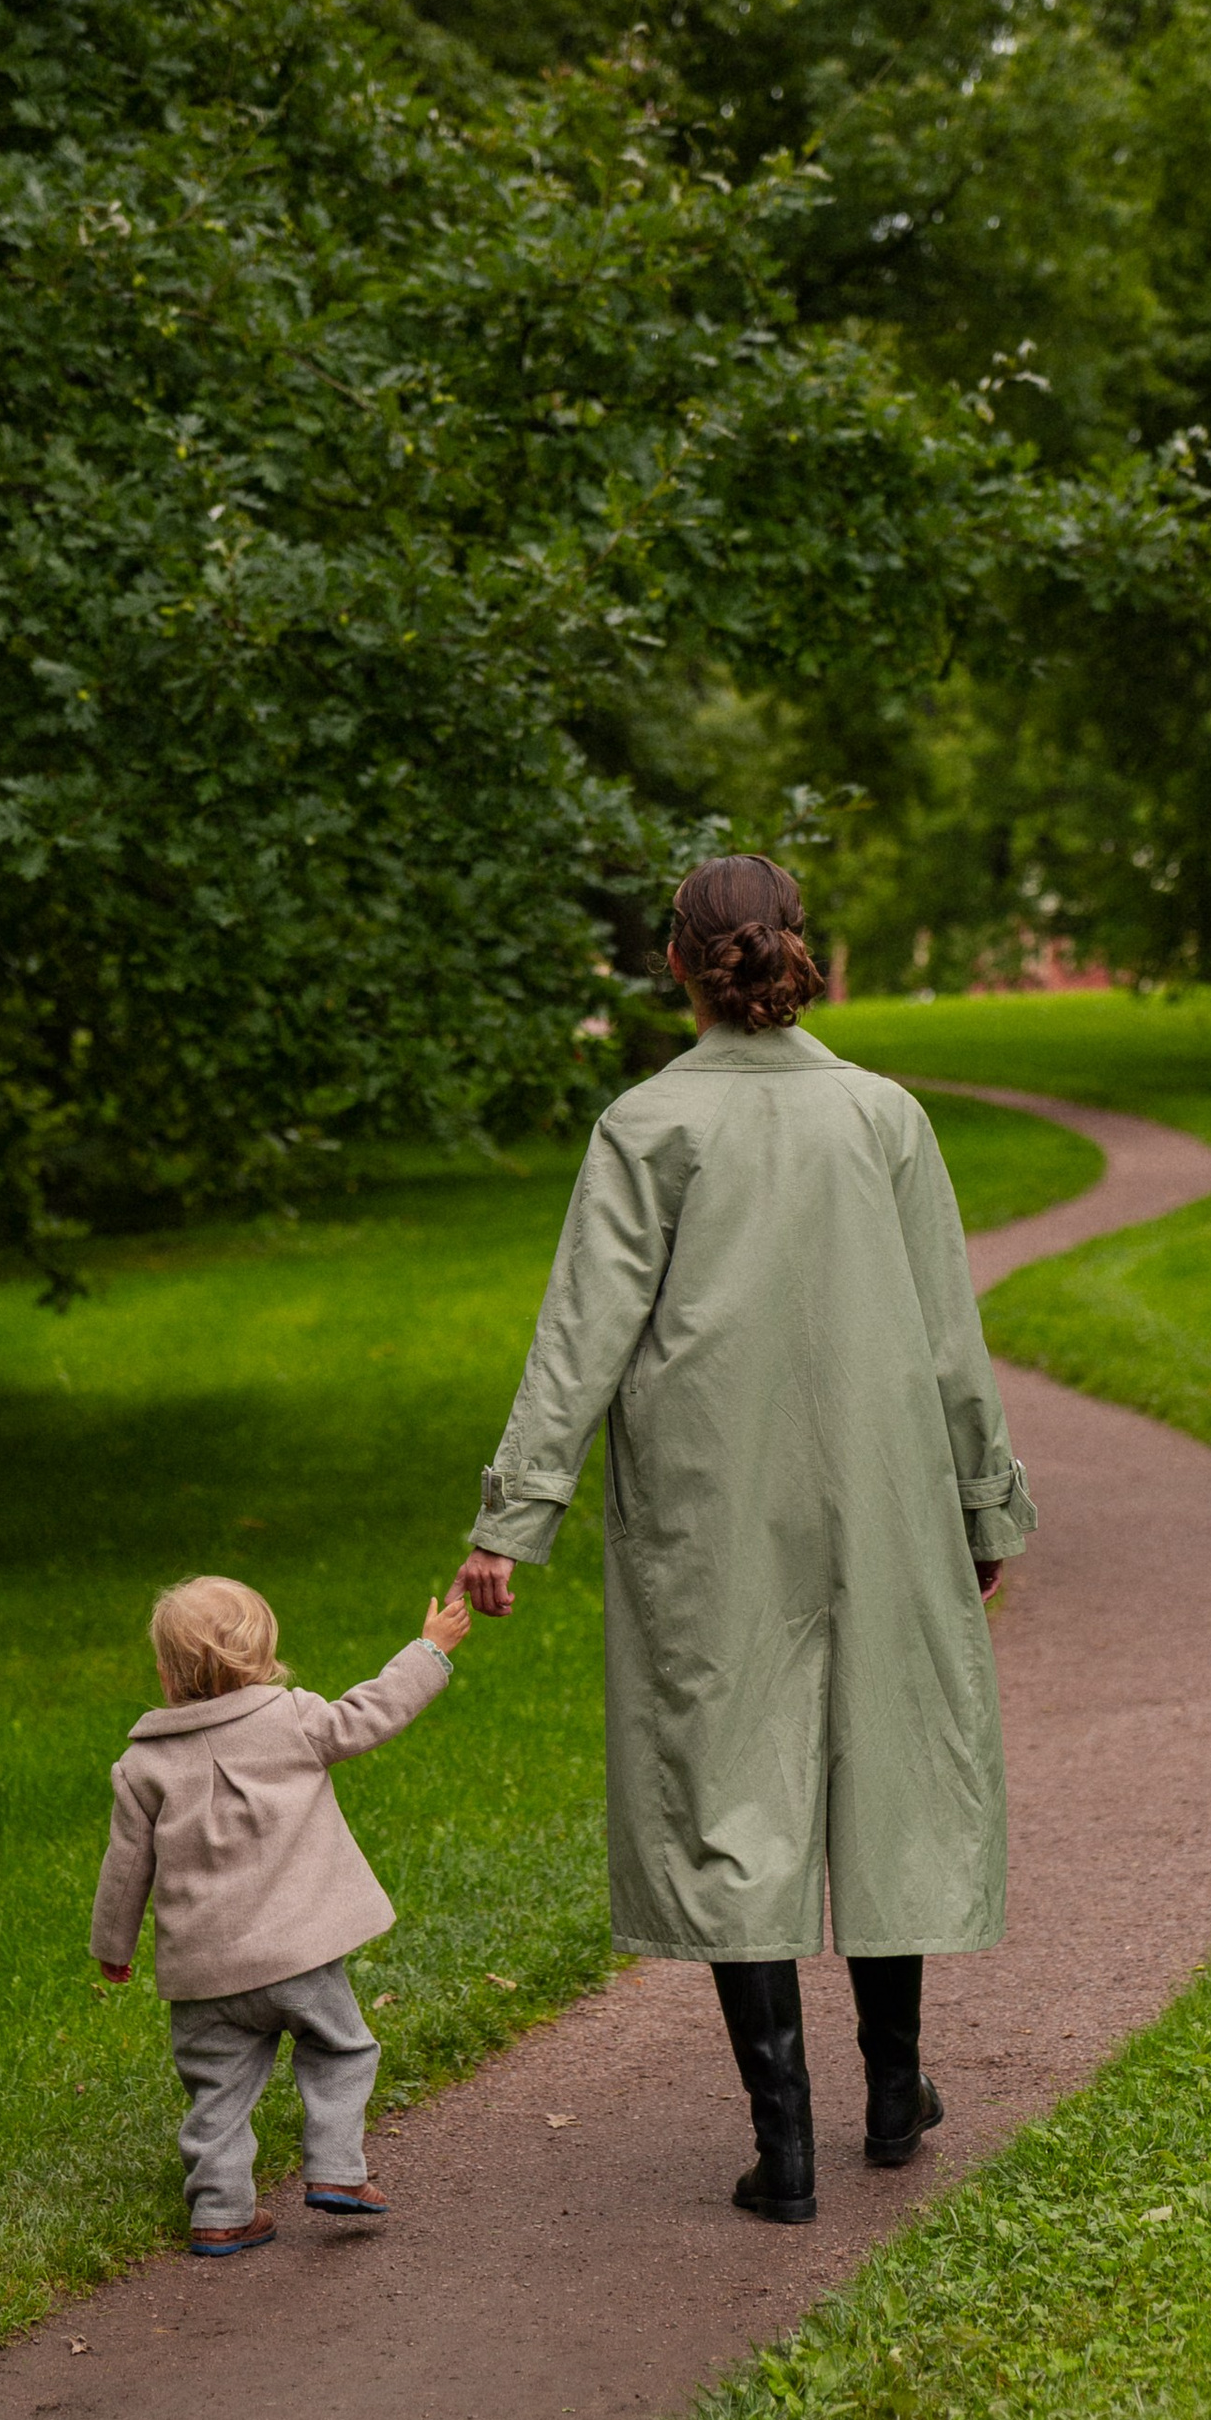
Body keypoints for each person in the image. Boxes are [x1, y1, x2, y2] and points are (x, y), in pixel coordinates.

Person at [460, 852, 1033, 2222]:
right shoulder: (885, 1116)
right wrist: (983, 1500)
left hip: (711, 1501)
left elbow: (579, 1340)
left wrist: (513, 1517)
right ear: (797, 951)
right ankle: (892, 2099)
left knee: (730, 1786)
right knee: (885, 1765)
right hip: (884, 1488)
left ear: (678, 964)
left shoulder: (647, 1125)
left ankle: (787, 2154)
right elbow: (952, 1334)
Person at [91, 1571, 472, 2257]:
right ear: (263, 1659)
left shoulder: (140, 1765)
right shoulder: (291, 1718)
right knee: (340, 2048)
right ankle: (336, 2171)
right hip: (299, 1958)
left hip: (205, 1975)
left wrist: (112, 1946)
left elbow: (125, 1869)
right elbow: (370, 1712)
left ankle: (220, 2211)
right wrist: (428, 1651)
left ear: (165, 1671)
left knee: (218, 2089)